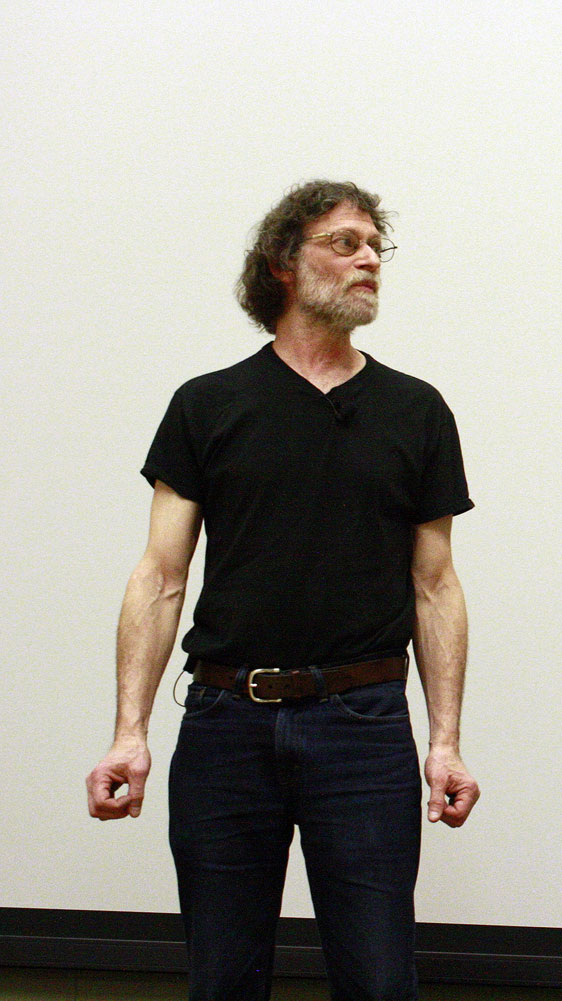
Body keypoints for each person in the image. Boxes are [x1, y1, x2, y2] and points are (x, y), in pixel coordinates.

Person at [85, 180, 479, 1001]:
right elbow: (160, 576)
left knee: (379, 983)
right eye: (344, 242)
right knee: (223, 981)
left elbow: (436, 584)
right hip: (226, 725)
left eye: (375, 245)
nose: (369, 259)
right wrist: (129, 732)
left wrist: (444, 742)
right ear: (283, 265)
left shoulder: (416, 411)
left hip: (363, 728)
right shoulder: (208, 405)